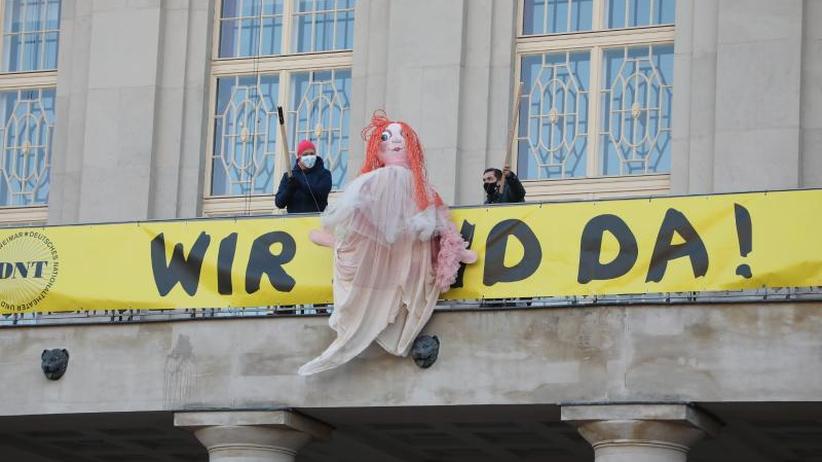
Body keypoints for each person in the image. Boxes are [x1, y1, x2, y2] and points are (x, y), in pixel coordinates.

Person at [298, 111, 476, 376]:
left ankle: (339, 247)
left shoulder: (421, 188)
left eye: (401, 136)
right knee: (369, 254)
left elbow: (438, 220)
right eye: (386, 137)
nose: (395, 141)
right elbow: (354, 213)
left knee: (408, 270)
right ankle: (337, 246)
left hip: (407, 249)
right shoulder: (372, 181)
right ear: (378, 149)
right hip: (384, 245)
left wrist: (455, 250)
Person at [274, 140, 332, 213]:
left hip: (317, 220)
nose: (309, 157)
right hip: (295, 222)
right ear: (299, 157)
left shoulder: (324, 174)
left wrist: (300, 185)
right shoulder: (289, 176)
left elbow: (321, 192)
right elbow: (279, 203)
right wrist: (289, 189)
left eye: (312, 154)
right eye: (305, 154)